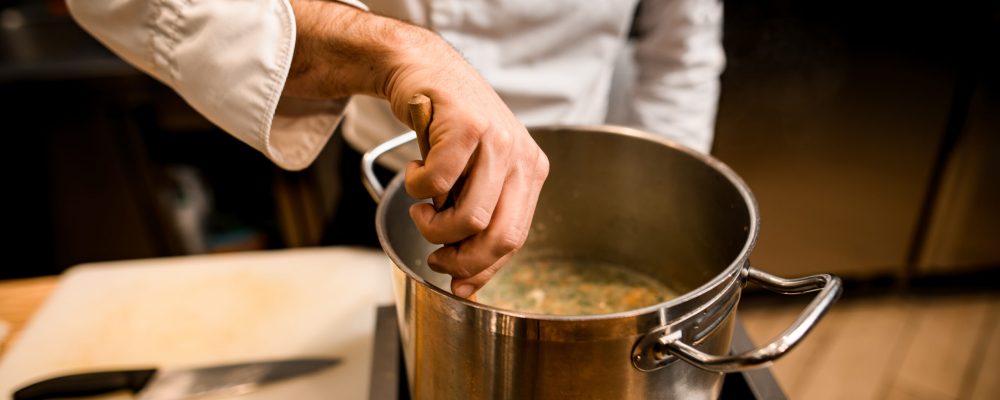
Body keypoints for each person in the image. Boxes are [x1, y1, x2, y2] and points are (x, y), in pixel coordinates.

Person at [65, 0, 724, 298]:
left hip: (577, 187)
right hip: (393, 193)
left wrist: (652, 207)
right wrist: (393, 51)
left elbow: (681, 48)